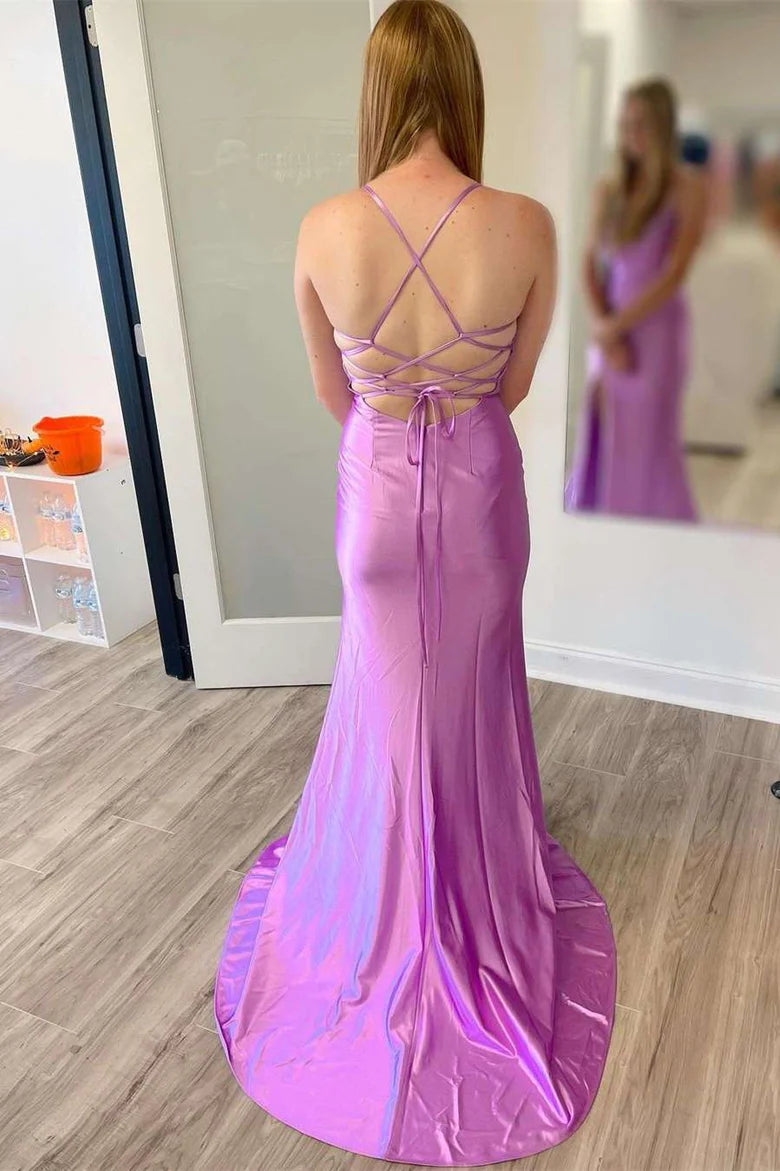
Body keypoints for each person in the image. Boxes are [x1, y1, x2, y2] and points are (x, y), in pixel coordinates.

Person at [214, 2, 617, 1164]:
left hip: (378, 491)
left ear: (379, 92)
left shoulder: (324, 227)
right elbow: (514, 384)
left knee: (389, 697)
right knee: (474, 692)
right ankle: (473, 896)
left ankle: (381, 908)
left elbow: (331, 392)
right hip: (481, 493)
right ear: (464, 89)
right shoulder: (526, 224)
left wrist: (397, 427)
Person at [565, 77, 704, 520]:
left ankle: (654, 535)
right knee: (604, 430)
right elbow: (588, 264)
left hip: (656, 329)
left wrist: (614, 328)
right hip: (610, 326)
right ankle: (602, 528)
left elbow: (674, 274)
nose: (631, 134)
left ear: (662, 127)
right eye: (625, 125)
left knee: (649, 442)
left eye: (640, 124)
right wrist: (604, 329)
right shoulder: (609, 190)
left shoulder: (686, 189)